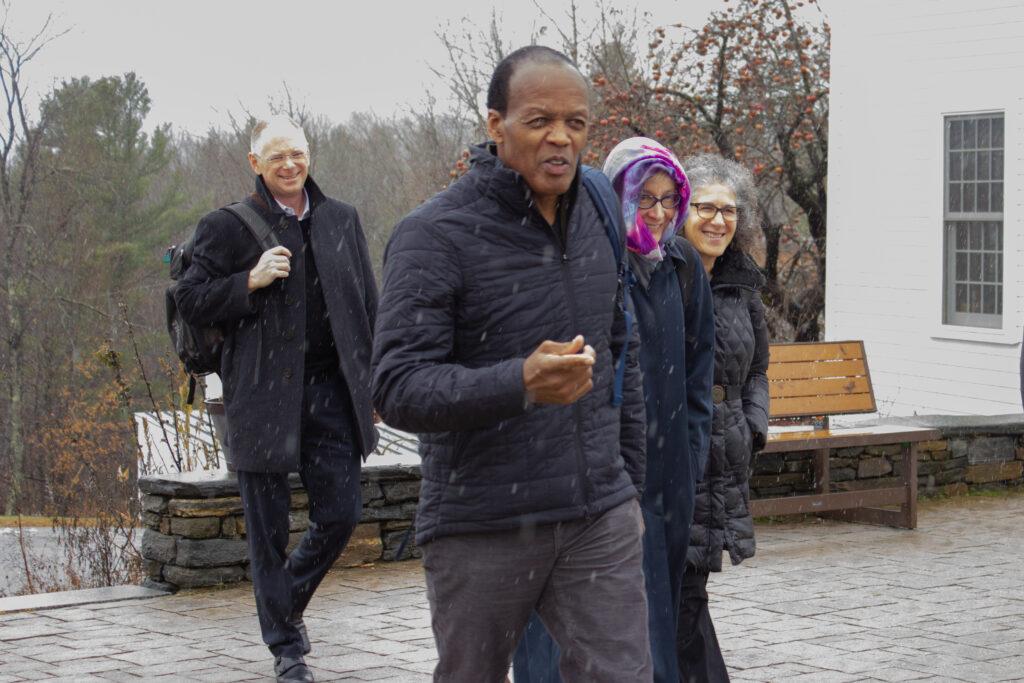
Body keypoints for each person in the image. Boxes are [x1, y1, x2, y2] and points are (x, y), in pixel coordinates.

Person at [371, 46, 652, 682]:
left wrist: (626, 480)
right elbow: (397, 386)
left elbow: (618, 346)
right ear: (495, 124)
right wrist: (517, 382)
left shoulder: (599, 211)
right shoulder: (434, 234)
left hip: (596, 513)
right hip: (482, 519)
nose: (561, 138)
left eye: (576, 123)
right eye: (538, 120)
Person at [175, 115, 379, 683]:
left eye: (298, 154)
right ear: (255, 164)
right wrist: (250, 281)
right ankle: (287, 650)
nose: (289, 166)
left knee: (342, 515)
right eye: (277, 157)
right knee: (267, 530)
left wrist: (376, 385)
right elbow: (188, 299)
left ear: (309, 155)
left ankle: (281, 602)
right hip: (261, 396)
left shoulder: (341, 219)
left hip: (332, 393)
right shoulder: (226, 227)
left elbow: (369, 307)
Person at [513, 138, 716, 683]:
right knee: (578, 618)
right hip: (598, 470)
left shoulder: (682, 265)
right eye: (643, 198)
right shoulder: (590, 263)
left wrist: (691, 455)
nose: (657, 212)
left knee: (655, 613)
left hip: (667, 475)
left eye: (669, 199)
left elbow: (699, 374)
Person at [676, 154, 770, 682]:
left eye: (729, 210)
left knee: (690, 587)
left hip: (725, 460)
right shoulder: (664, 275)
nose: (718, 220)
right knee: (681, 592)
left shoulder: (742, 287)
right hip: (680, 457)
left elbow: (758, 369)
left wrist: (753, 424)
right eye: (705, 207)